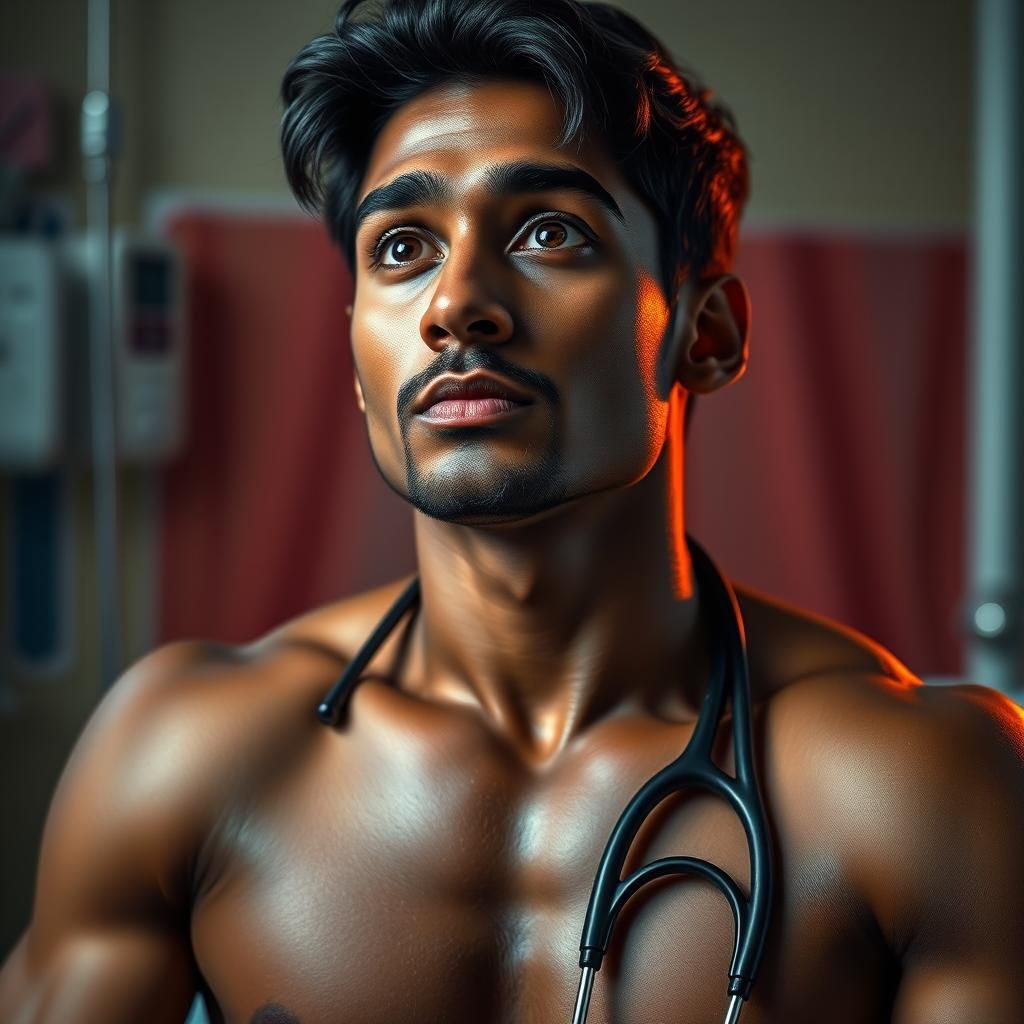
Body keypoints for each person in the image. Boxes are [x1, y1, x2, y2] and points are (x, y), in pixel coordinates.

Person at [3, 1, 1023, 1021]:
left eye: (548, 232)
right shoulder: (184, 754)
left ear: (703, 335)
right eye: (401, 247)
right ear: (359, 360)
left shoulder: (920, 787)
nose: (455, 303)